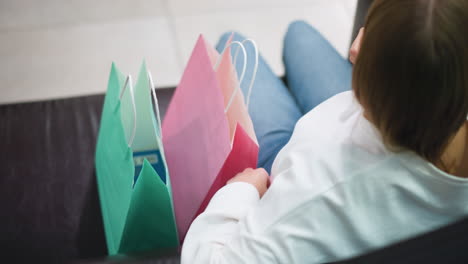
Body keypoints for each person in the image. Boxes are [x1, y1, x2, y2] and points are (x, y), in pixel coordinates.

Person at [182, 0, 468, 262]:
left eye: (370, 41)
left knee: (235, 45)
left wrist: (240, 192)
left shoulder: (315, 199)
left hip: (283, 180)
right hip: (354, 130)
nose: (355, 48)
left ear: (378, 85)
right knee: (300, 34)